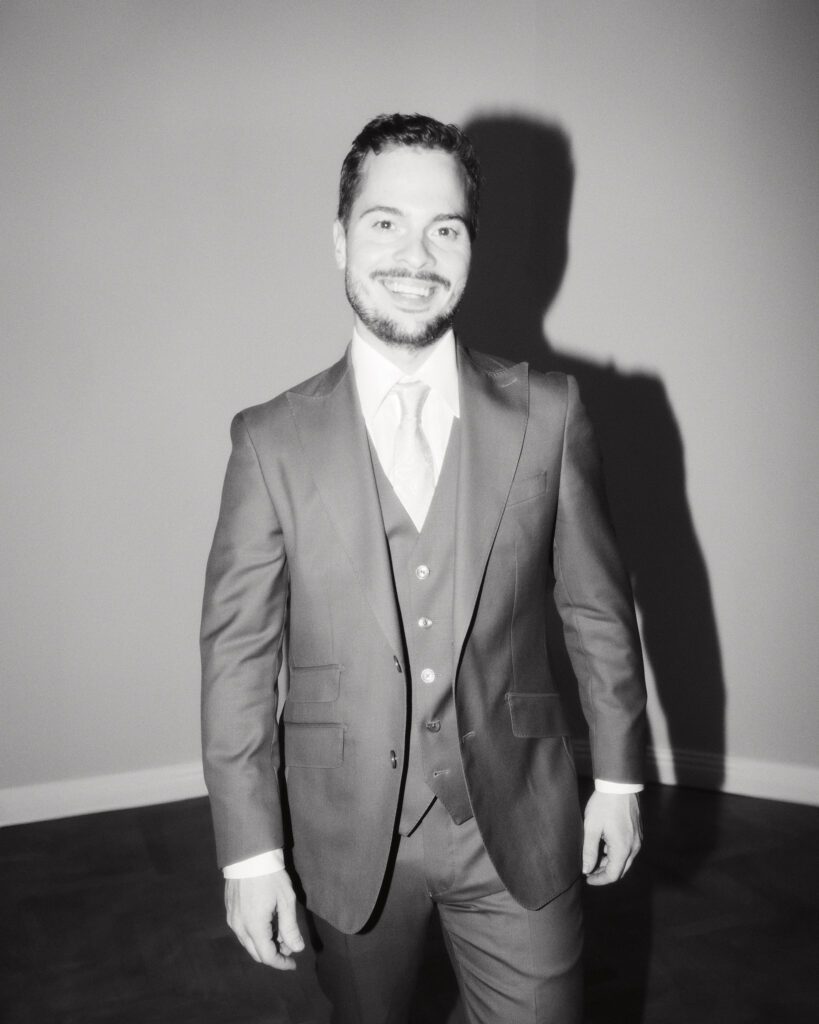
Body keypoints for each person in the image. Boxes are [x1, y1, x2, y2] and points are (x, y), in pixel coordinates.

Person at [200, 113, 647, 1024]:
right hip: (342, 833)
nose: (416, 255)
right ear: (340, 239)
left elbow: (595, 608)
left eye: (444, 228)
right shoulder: (268, 441)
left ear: (471, 246)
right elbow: (237, 657)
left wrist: (618, 778)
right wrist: (249, 852)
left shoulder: (550, 413)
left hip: (519, 819)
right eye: (384, 223)